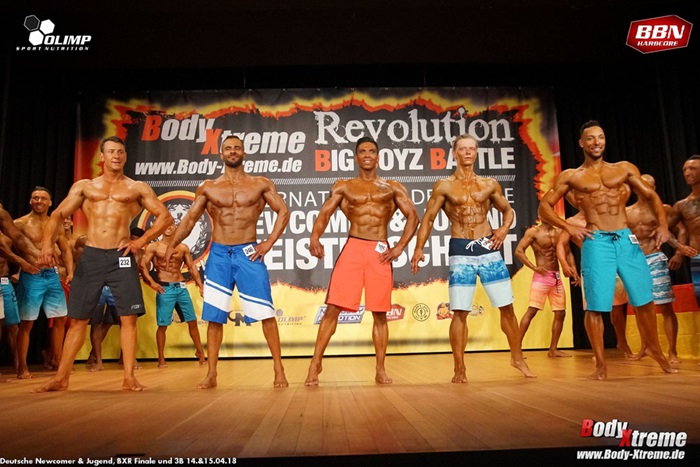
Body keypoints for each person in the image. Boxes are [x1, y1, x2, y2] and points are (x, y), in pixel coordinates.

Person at [34, 136, 173, 392]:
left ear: (125, 156)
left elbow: (165, 217)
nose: (116, 156)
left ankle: (129, 378)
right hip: (92, 256)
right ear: (102, 157)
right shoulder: (85, 187)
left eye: (120, 152)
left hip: (121, 256)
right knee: (78, 319)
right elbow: (58, 214)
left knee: (128, 318)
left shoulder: (137, 188)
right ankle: (61, 378)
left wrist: (141, 241)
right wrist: (45, 245)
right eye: (111, 152)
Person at [539, 120, 675, 380]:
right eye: (591, 138)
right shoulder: (571, 176)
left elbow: (651, 196)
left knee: (644, 299)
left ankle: (654, 349)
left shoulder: (624, 169)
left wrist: (663, 225)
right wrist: (567, 226)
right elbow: (544, 206)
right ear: (582, 143)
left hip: (626, 239)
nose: (596, 142)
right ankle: (600, 364)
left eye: (600, 137)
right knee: (595, 306)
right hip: (596, 241)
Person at [165, 134, 289, 389]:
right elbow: (189, 220)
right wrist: (171, 245)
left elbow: (283, 211)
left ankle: (279, 368)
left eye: (237, 148)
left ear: (244, 153)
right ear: (221, 154)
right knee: (215, 316)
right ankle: (211, 373)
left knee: (266, 313)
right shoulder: (209, 187)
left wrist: (268, 243)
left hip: (248, 252)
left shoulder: (260, 184)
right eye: (228, 148)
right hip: (219, 254)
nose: (233, 151)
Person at [411, 133, 534, 382]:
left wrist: (503, 229)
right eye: (463, 149)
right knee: (459, 311)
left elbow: (508, 210)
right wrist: (418, 248)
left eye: (472, 149)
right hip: (461, 249)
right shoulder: (444, 186)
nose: (468, 152)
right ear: (454, 153)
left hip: (487, 247)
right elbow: (429, 219)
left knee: (507, 307)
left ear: (476, 153)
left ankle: (517, 357)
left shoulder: (489, 184)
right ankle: (459, 368)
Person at [304, 137, 418, 386]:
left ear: (378, 157)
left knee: (380, 313)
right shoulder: (344, 186)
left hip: (379, 251)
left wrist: (400, 246)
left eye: (372, 151)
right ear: (356, 157)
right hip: (354, 248)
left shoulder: (392, 187)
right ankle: (315, 363)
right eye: (363, 151)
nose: (367, 155)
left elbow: (413, 216)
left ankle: (380, 369)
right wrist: (314, 237)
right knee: (333, 307)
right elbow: (325, 212)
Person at [556, 212, 636, 358]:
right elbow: (561, 244)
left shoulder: (604, 215)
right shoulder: (572, 221)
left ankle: (622, 343)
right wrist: (564, 264)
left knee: (618, 307)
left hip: (614, 262)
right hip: (592, 266)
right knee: (593, 309)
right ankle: (597, 350)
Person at [14, 187, 73, 378]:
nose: (39, 201)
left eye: (43, 198)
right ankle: (22, 367)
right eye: (35, 198)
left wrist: (70, 271)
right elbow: (6, 246)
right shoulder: (20, 223)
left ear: (50, 203)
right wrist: (20, 265)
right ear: (30, 201)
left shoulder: (54, 224)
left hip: (52, 275)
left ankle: (57, 362)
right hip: (32, 275)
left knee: (61, 318)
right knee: (27, 322)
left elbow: (65, 248)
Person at [142, 223, 206, 368]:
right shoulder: (154, 247)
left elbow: (191, 267)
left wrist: (201, 285)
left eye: (172, 225)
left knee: (192, 321)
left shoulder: (182, 247)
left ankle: (200, 352)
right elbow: (143, 265)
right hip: (165, 288)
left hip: (181, 287)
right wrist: (152, 283)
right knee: (163, 325)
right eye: (166, 225)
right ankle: (161, 358)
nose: (169, 227)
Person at [514, 221, 570, 358]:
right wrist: (534, 267)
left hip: (556, 277)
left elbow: (567, 253)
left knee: (560, 313)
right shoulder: (534, 232)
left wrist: (571, 268)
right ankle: (516, 349)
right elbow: (519, 251)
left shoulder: (559, 232)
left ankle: (553, 349)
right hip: (541, 277)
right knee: (532, 311)